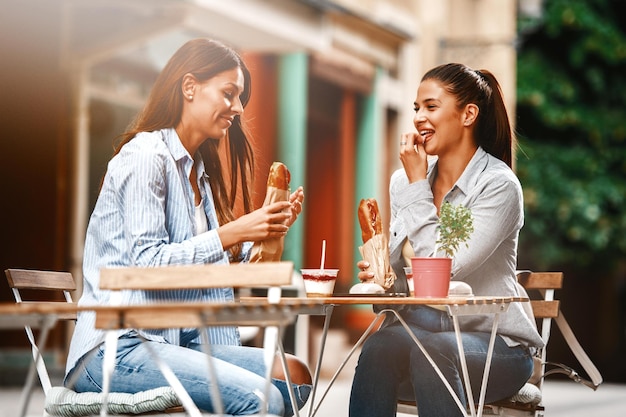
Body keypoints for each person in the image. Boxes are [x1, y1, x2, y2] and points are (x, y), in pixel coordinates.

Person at [65, 38, 310, 416]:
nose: (238, 108)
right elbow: (149, 264)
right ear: (190, 87)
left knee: (295, 374)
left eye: (240, 96)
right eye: (229, 93)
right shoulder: (147, 156)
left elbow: (215, 271)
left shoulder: (198, 173)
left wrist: (267, 233)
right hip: (117, 349)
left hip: (178, 342)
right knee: (263, 399)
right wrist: (235, 231)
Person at [349, 63, 545, 417]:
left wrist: (415, 186)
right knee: (379, 348)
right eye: (416, 108)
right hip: (423, 332)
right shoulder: (405, 182)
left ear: (468, 114)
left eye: (431, 106)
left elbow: (441, 270)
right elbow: (403, 284)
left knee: (437, 352)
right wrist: (382, 281)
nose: (419, 118)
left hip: (496, 345)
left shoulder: (498, 186)